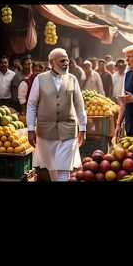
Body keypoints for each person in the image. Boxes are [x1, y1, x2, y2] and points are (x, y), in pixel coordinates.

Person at [27, 48, 87, 182]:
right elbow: (31, 104)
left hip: (69, 130)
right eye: (62, 60)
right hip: (45, 131)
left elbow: (79, 105)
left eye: (67, 60)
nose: (66, 63)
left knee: (64, 168)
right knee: (52, 167)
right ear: (51, 62)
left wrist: (83, 128)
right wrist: (30, 129)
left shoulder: (73, 79)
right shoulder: (40, 79)